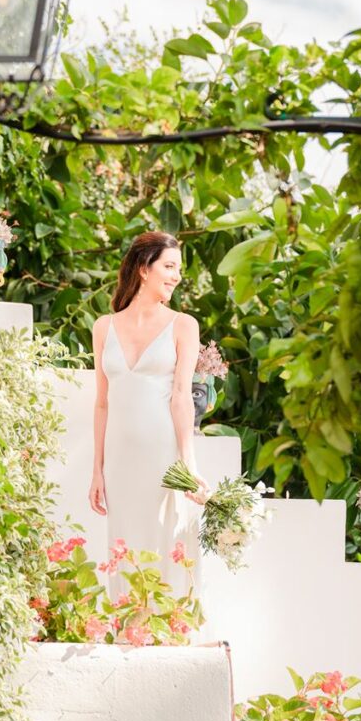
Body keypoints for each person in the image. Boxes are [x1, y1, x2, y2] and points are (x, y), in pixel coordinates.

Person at [89, 231, 208, 597]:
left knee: (166, 545)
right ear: (144, 268)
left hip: (163, 455)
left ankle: (171, 635)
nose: (176, 276)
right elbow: (102, 402)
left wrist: (188, 464)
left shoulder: (183, 325)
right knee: (124, 547)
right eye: (169, 267)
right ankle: (128, 635)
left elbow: (180, 398)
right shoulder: (103, 327)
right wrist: (97, 469)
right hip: (120, 463)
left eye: (179, 269)